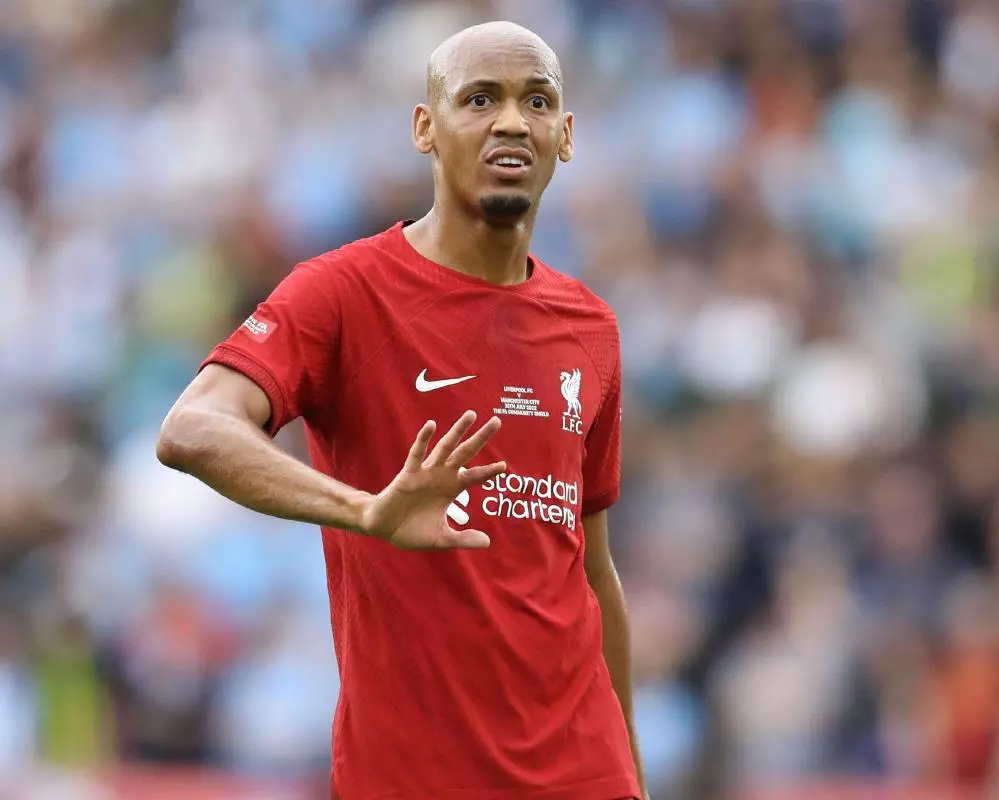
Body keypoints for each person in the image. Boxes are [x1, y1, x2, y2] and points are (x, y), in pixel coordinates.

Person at [156, 21, 646, 800]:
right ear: (425, 128)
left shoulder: (591, 327)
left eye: (537, 101)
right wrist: (365, 510)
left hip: (584, 776)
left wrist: (632, 775)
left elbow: (592, 571)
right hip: (413, 778)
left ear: (565, 134)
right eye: (479, 99)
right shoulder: (344, 293)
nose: (512, 121)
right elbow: (192, 428)